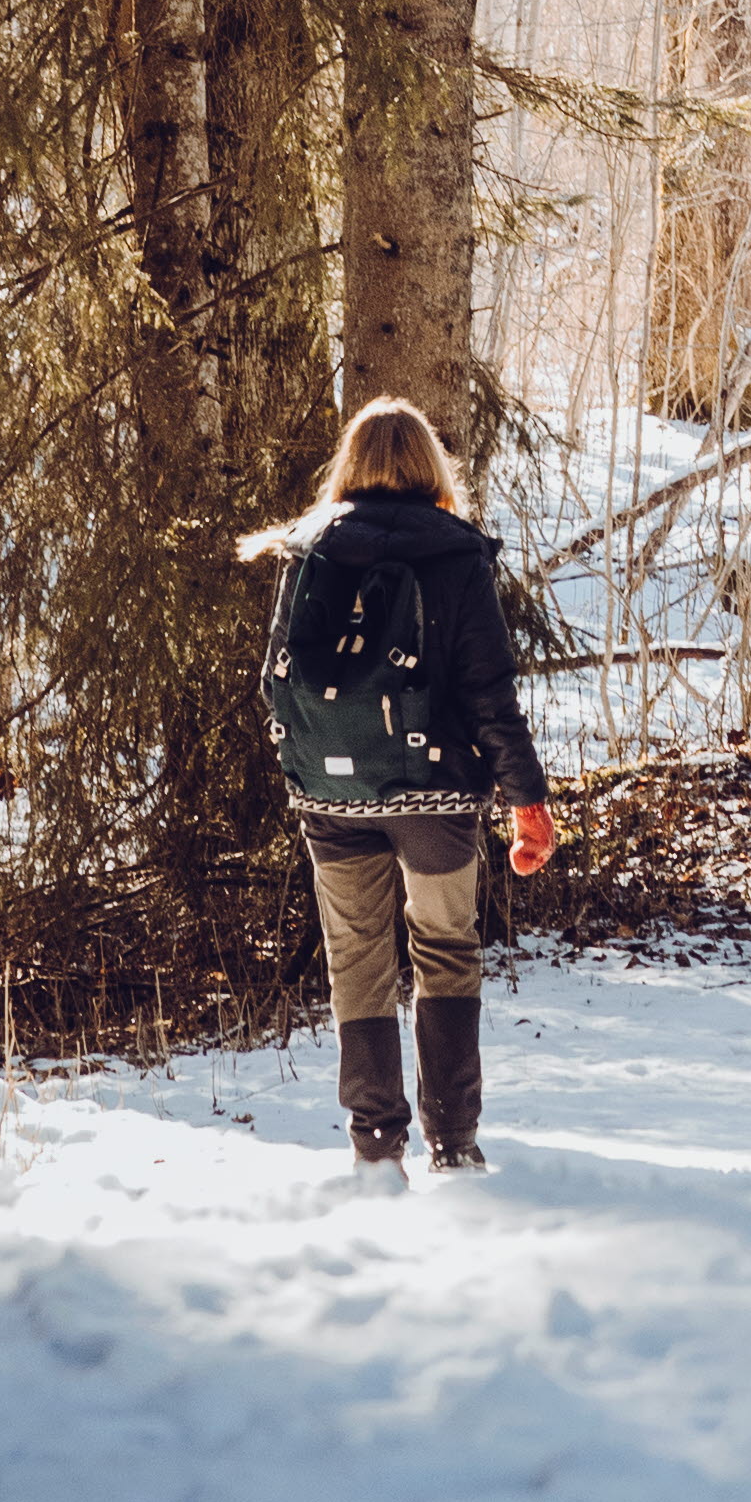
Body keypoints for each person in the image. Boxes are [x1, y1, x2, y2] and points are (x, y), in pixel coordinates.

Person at [242, 398, 559, 1176]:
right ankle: (452, 1144)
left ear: (347, 465)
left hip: (329, 796)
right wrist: (528, 801)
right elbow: (491, 695)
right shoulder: (456, 554)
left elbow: (272, 680)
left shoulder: (306, 547)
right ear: (430, 467)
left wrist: (310, 766)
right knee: (446, 948)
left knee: (356, 957)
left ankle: (374, 1146)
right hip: (436, 795)